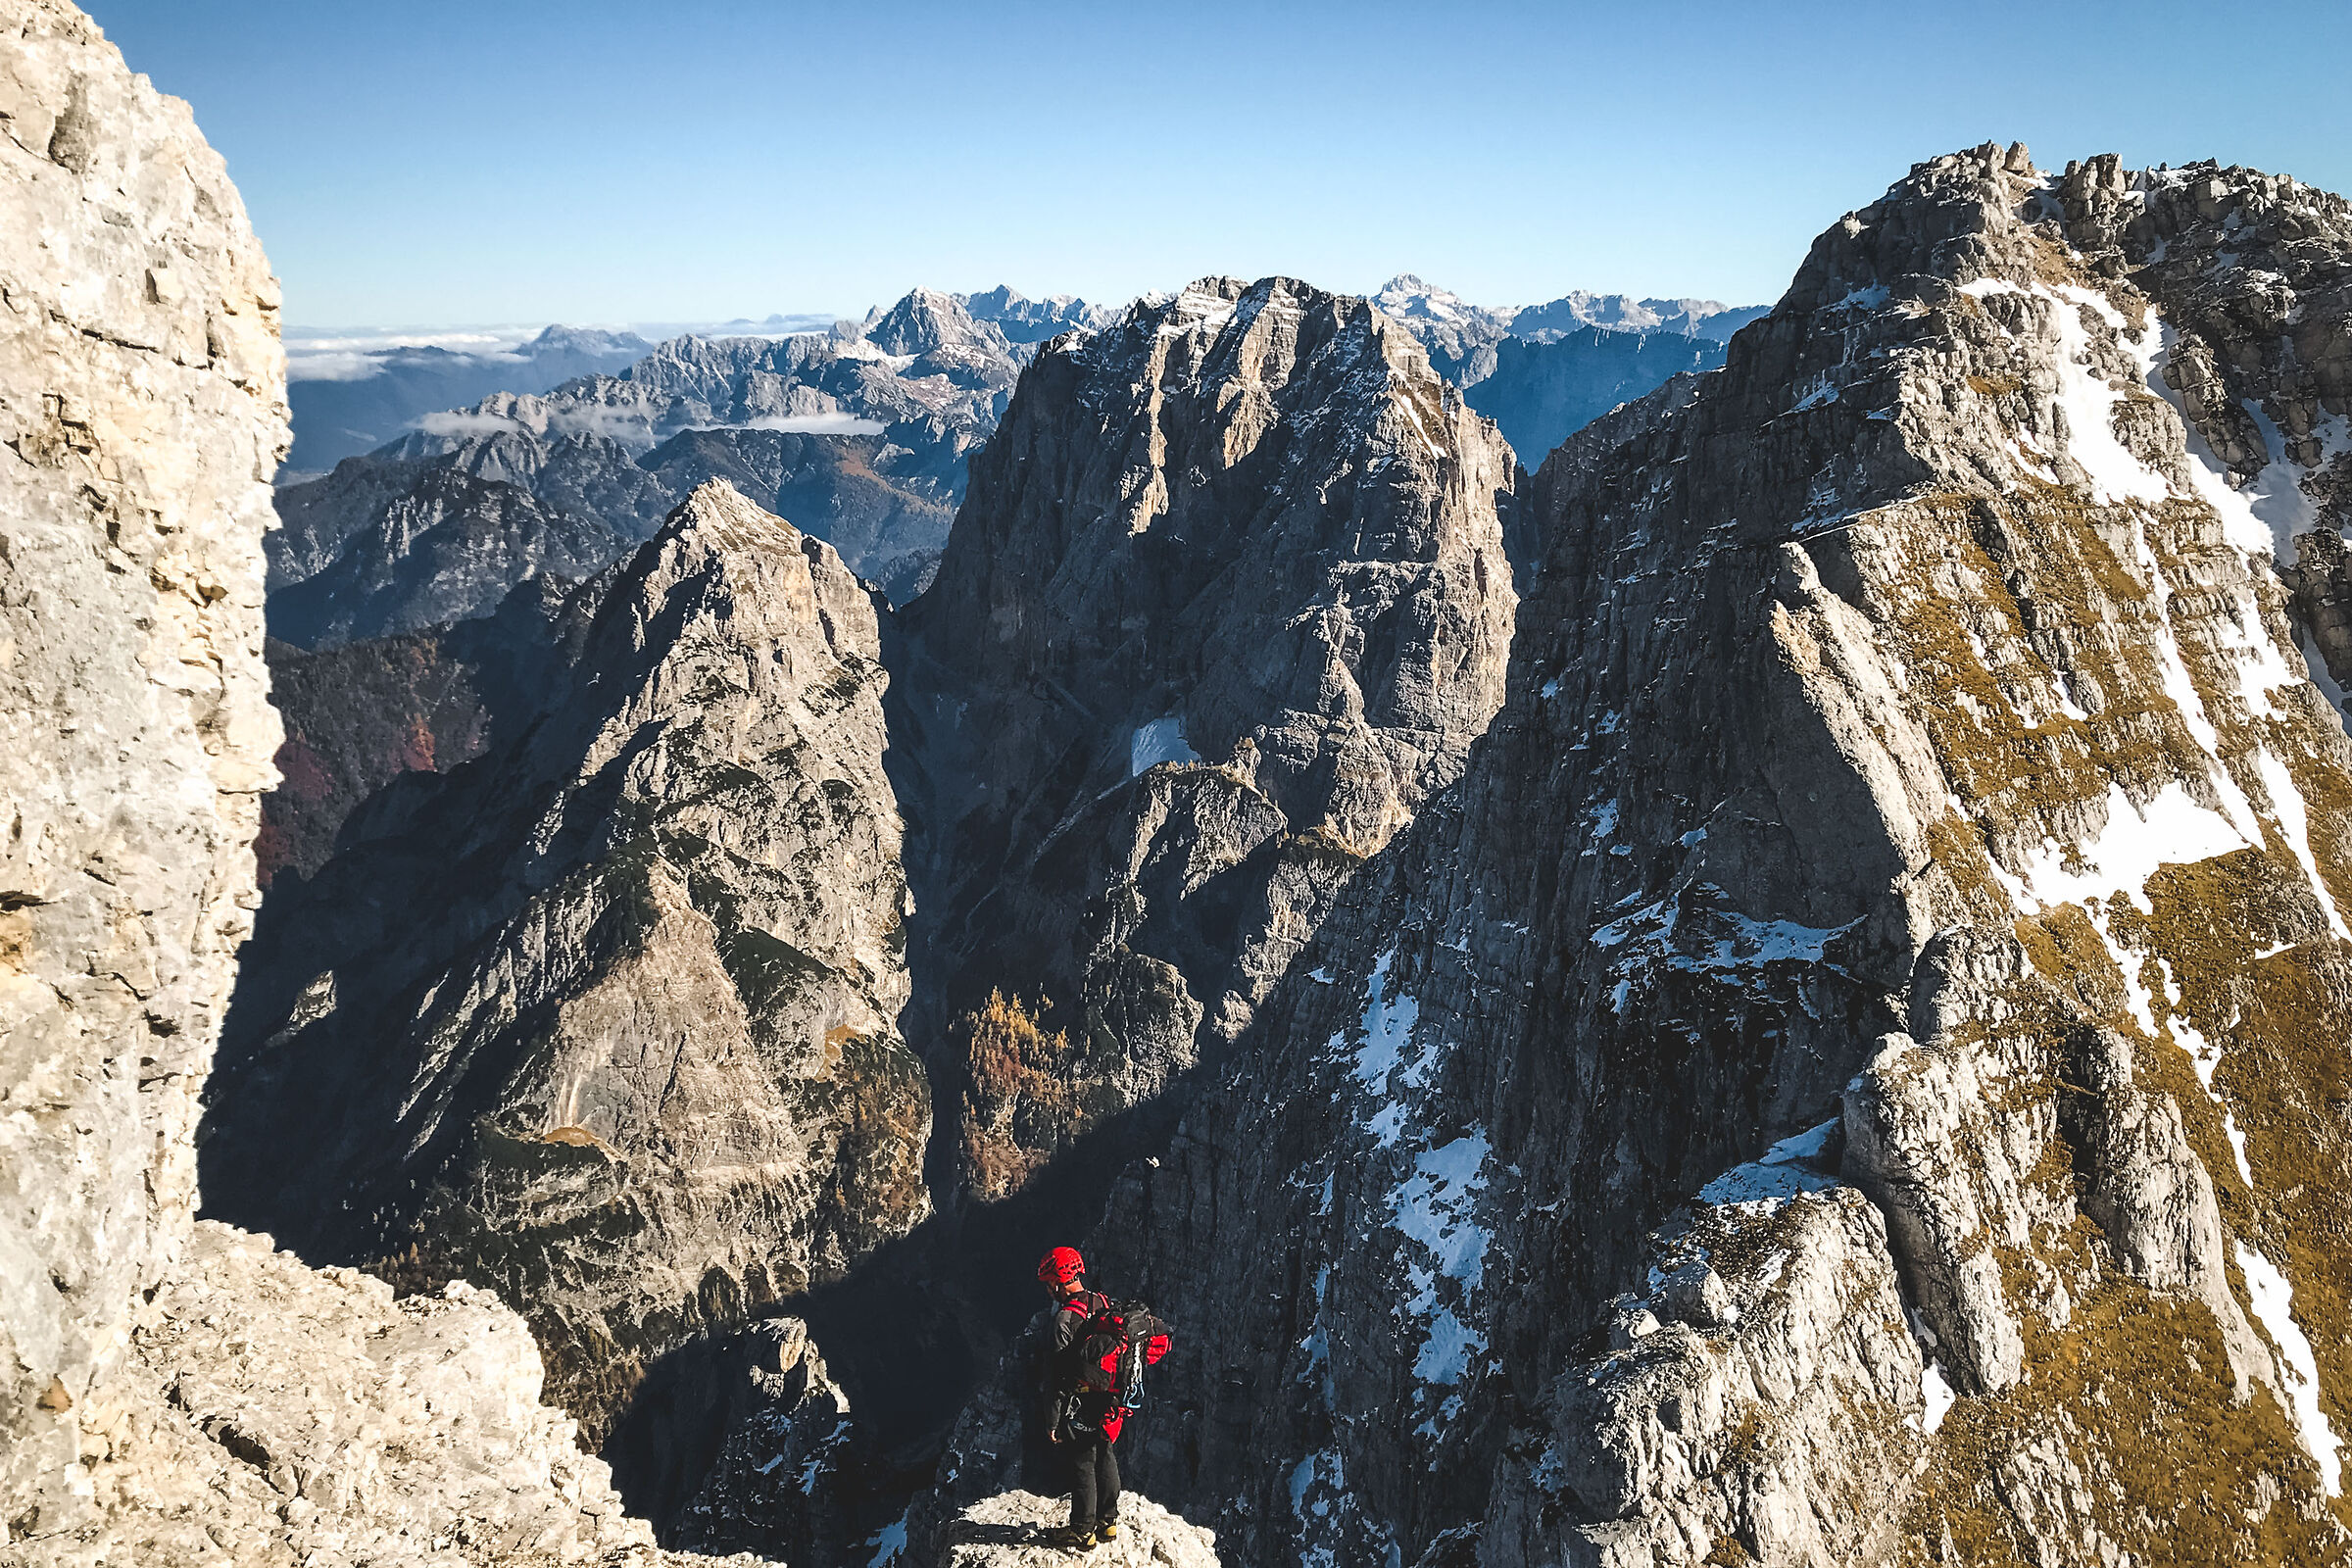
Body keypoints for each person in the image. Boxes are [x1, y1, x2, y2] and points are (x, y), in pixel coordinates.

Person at [1032, 1246, 1167, 1549]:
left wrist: (1052, 1419)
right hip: (1112, 1399)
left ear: (1057, 1282)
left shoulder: (1065, 1318)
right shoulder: (1103, 1302)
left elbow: (1056, 1374)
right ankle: (1108, 1522)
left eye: (1048, 1283)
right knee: (1105, 1454)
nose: (1048, 1290)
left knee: (1082, 1463)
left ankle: (1081, 1530)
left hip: (1083, 1402)